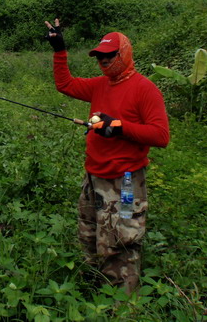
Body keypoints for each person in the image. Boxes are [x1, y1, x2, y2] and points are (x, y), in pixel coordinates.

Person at [44, 19, 169, 294]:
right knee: (89, 233)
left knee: (120, 240)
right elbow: (65, 84)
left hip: (124, 180)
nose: (103, 61)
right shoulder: (100, 85)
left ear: (124, 54)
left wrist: (120, 127)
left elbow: (161, 136)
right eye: (99, 57)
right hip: (94, 175)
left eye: (109, 56)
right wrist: (59, 49)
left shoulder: (144, 89)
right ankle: (92, 291)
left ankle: (122, 303)